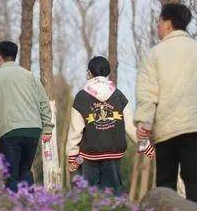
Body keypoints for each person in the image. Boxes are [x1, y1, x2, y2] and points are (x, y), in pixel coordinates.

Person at [135, 3, 197, 205]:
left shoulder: (155, 55)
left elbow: (148, 93)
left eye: (159, 21)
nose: (157, 26)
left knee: (165, 180)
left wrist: (144, 123)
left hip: (168, 128)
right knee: (194, 178)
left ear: (168, 23)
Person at [66, 56, 154, 194]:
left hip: (89, 154)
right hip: (113, 152)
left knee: (89, 194)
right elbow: (130, 126)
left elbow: (75, 131)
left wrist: (72, 156)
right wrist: (145, 145)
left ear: (89, 73)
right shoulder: (119, 95)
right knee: (114, 192)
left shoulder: (81, 97)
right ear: (107, 72)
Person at [0, 41, 53, 192]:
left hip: (10, 130)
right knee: (25, 170)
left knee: (11, 174)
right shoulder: (30, 76)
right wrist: (47, 128)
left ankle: (13, 210)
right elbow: (43, 102)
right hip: (33, 130)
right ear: (15, 56)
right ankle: (30, 207)